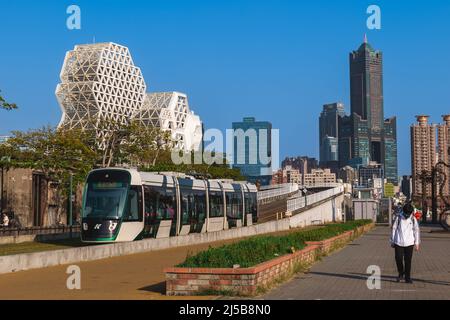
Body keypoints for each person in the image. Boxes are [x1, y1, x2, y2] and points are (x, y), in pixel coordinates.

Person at [390, 202, 420, 284]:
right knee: (398, 258)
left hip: (410, 243)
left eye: (409, 213)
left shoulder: (413, 219)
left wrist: (417, 243)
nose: (407, 215)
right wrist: (392, 241)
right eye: (406, 213)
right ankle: (400, 273)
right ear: (403, 211)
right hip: (398, 242)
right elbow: (393, 229)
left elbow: (416, 231)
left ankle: (408, 277)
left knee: (408, 261)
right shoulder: (398, 218)